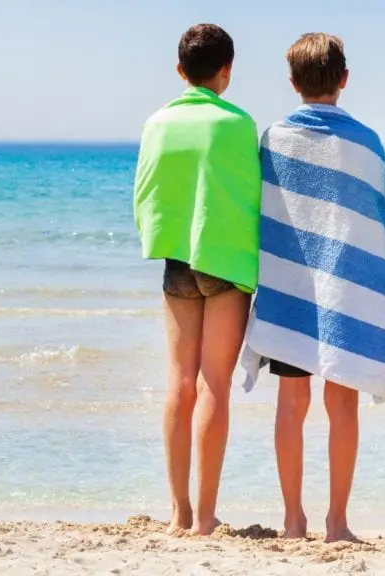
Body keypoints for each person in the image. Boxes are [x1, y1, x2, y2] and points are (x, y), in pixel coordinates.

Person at [238, 33, 385, 542]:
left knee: (290, 405)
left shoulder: (272, 139)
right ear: (345, 79)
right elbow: (380, 222)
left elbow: (262, 212)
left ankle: (293, 520)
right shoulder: (366, 142)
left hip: (290, 290)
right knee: (342, 406)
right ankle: (337, 522)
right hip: (344, 296)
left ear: (293, 82)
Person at [133, 23, 261, 536]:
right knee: (214, 385)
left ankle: (178, 512)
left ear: (179, 70)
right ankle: (206, 517)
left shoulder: (157, 122)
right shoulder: (238, 123)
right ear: (226, 70)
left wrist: (160, 237)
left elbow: (145, 193)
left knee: (179, 383)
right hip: (226, 263)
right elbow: (251, 195)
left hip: (177, 261)